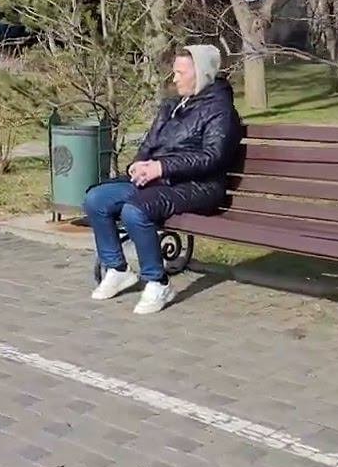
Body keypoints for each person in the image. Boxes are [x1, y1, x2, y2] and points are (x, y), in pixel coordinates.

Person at [83, 44, 241, 315]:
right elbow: (150, 143)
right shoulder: (172, 106)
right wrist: (138, 165)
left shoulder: (221, 110)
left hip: (199, 186)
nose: (175, 78)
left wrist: (162, 167)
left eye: (181, 73)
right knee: (96, 199)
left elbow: (212, 157)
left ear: (202, 74)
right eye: (174, 72)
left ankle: (157, 282)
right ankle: (118, 270)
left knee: (135, 210)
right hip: (161, 181)